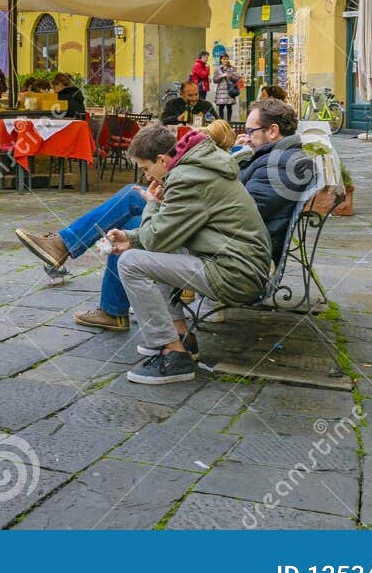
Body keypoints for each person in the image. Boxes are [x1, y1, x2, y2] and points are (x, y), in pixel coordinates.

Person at [112, 125, 272, 384]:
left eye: (145, 169)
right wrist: (131, 238)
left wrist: (151, 205)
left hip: (234, 274)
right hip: (240, 265)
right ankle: (180, 336)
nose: (145, 177)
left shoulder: (188, 178)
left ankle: (174, 356)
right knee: (158, 251)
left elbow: (155, 239)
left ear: (162, 160)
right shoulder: (198, 168)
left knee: (131, 263)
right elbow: (168, 235)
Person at [236, 98, 315, 259]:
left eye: (251, 131)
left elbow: (242, 213)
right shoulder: (276, 157)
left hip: (246, 255)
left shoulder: (280, 164)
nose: (247, 138)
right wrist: (239, 155)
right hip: (243, 246)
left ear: (272, 131)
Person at [211, 53, 242, 122]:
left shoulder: (232, 68)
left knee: (229, 106)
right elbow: (214, 80)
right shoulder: (217, 69)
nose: (225, 60)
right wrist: (221, 76)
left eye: (227, 59)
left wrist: (230, 76)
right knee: (221, 107)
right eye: (224, 59)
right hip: (221, 91)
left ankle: (229, 122)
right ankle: (221, 122)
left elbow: (237, 78)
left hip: (229, 90)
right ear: (221, 60)